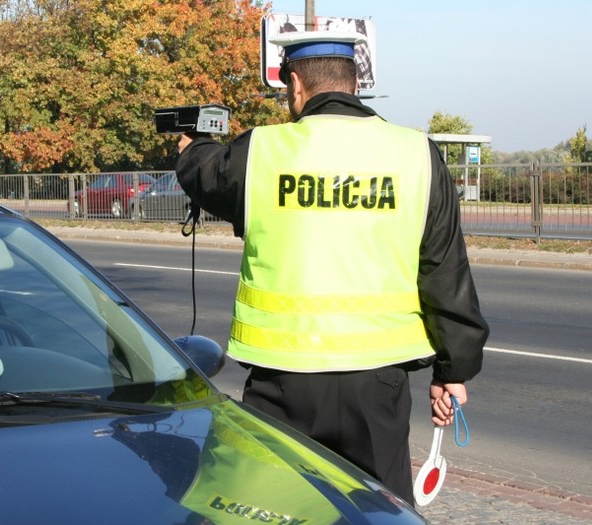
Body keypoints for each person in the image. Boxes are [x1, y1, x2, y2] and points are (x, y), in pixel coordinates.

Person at [174, 29, 489, 505]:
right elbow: (445, 272)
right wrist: (453, 371)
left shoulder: (261, 152)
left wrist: (191, 146)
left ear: (296, 85)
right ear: (355, 83)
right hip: (377, 384)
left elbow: (204, 173)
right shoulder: (415, 154)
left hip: (283, 381)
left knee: (269, 508)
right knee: (378, 511)